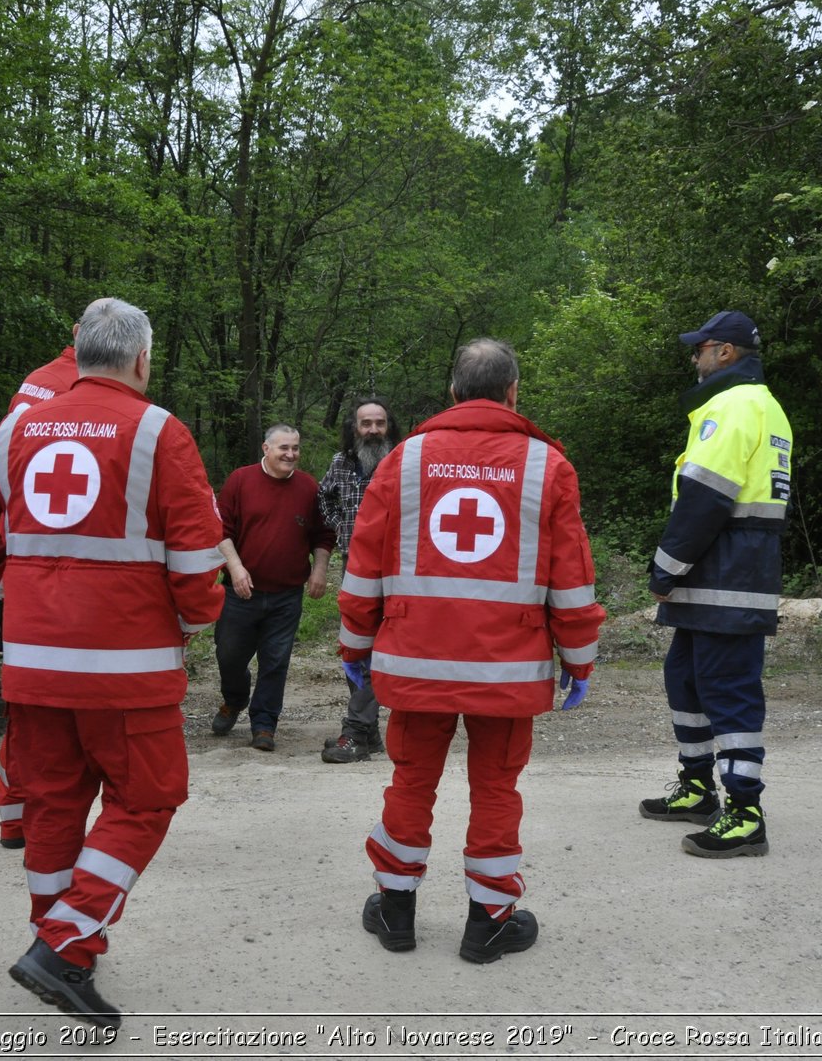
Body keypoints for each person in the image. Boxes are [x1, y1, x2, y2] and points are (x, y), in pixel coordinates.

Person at [0, 297, 224, 1027]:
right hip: (127, 666)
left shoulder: (18, 428)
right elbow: (195, 559)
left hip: (35, 662)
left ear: (79, 352)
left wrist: (12, 585)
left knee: (54, 803)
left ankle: (63, 943)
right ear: (141, 359)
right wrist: (193, 619)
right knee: (150, 797)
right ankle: (65, 942)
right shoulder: (160, 431)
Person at [339, 338, 605, 963]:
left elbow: (363, 567)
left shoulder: (403, 462)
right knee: (496, 789)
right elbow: (572, 579)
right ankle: (488, 921)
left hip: (414, 661)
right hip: (507, 669)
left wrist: (356, 645)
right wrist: (579, 659)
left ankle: (396, 911)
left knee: (411, 781)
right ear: (514, 393)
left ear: (453, 393)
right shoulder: (547, 467)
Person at [641, 309, 792, 859]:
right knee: (686, 677)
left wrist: (666, 568)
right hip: (730, 569)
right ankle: (699, 787)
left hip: (723, 567)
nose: (694, 357)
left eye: (700, 347)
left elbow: (705, 496)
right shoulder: (763, 405)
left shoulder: (731, 406)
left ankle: (746, 813)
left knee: (726, 689)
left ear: (725, 353)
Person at [0, 338, 80, 850]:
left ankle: (14, 816)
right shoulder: (89, 389)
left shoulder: (36, 380)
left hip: (24, 564)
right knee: (72, 711)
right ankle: (57, 825)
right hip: (71, 571)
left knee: (28, 707)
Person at [210, 424, 336, 752]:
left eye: (295, 448)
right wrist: (235, 568)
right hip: (240, 593)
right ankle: (234, 700)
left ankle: (264, 724)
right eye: (284, 448)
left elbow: (323, 535)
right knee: (229, 656)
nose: (291, 454)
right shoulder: (241, 480)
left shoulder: (308, 487)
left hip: (287, 595)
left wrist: (319, 569)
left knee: (275, 660)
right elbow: (220, 529)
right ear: (266, 448)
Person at [316, 397, 401, 763]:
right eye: (365, 423)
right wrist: (341, 527)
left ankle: (356, 729)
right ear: (354, 428)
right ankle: (367, 731)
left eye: (379, 423)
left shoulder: (404, 462)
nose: (372, 430)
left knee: (381, 648)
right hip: (353, 566)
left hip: (396, 571)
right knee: (355, 646)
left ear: (389, 426)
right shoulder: (340, 463)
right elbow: (323, 500)